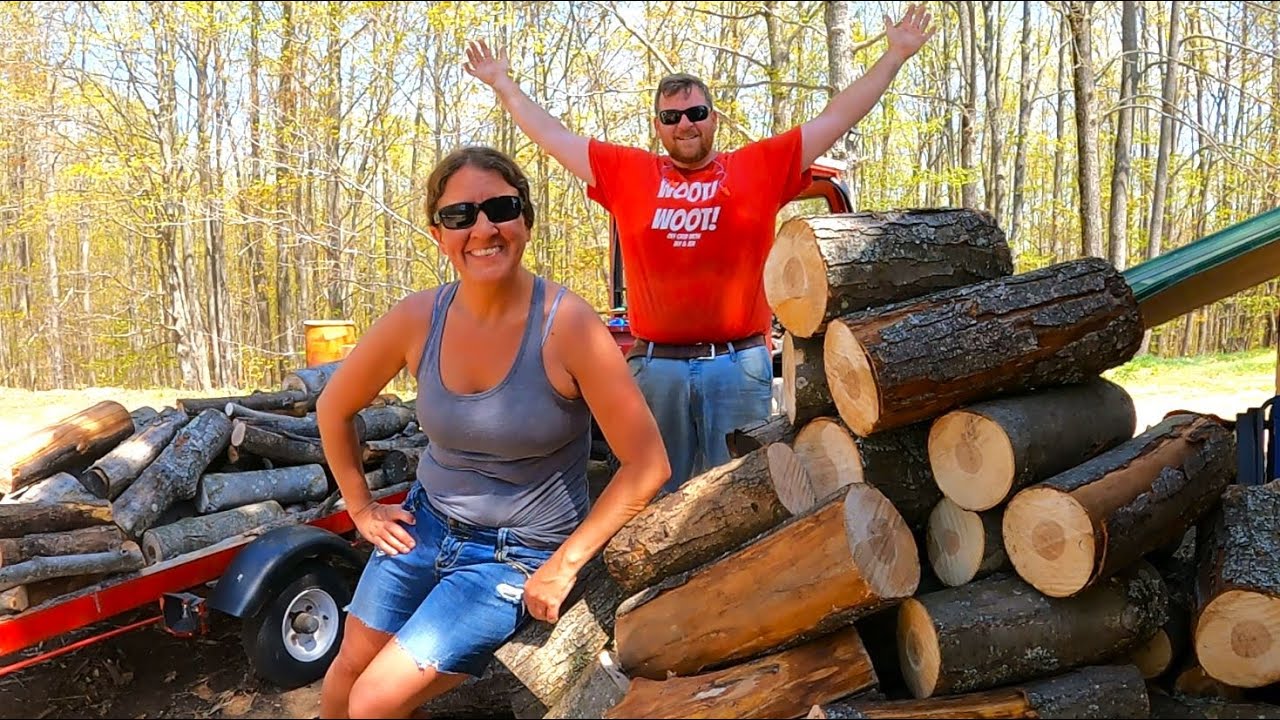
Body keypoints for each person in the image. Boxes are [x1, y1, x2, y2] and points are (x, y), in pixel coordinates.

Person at [464, 5, 936, 492]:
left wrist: (895, 56)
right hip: (655, 368)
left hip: (738, 366)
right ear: (658, 125)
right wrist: (503, 84)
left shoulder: (759, 167)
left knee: (741, 495)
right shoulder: (628, 174)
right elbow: (552, 136)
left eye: (695, 113)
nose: (685, 124)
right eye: (671, 117)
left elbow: (836, 117)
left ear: (714, 118)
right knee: (655, 496)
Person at [314, 146, 670, 719]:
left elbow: (647, 464)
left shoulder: (568, 325)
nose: (483, 229)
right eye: (460, 215)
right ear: (438, 234)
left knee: (373, 701)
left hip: (515, 555)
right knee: (348, 668)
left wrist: (565, 564)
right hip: (423, 526)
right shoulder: (418, 318)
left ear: (525, 220)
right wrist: (361, 507)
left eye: (500, 209)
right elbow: (334, 407)